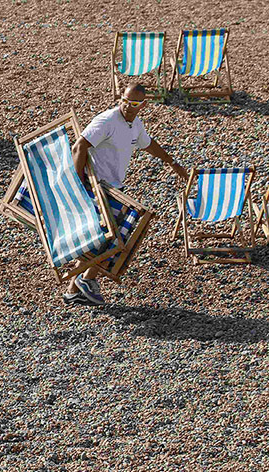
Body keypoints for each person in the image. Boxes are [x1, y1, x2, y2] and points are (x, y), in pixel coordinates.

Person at [63, 83, 188, 306]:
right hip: (98, 187)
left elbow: (148, 144)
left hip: (115, 189)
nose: (128, 107)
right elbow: (79, 146)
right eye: (125, 101)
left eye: (134, 104)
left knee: (101, 238)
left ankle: (74, 288)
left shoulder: (135, 125)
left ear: (143, 105)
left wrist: (172, 163)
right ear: (121, 98)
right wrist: (78, 182)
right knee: (110, 238)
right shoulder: (107, 120)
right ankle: (87, 280)